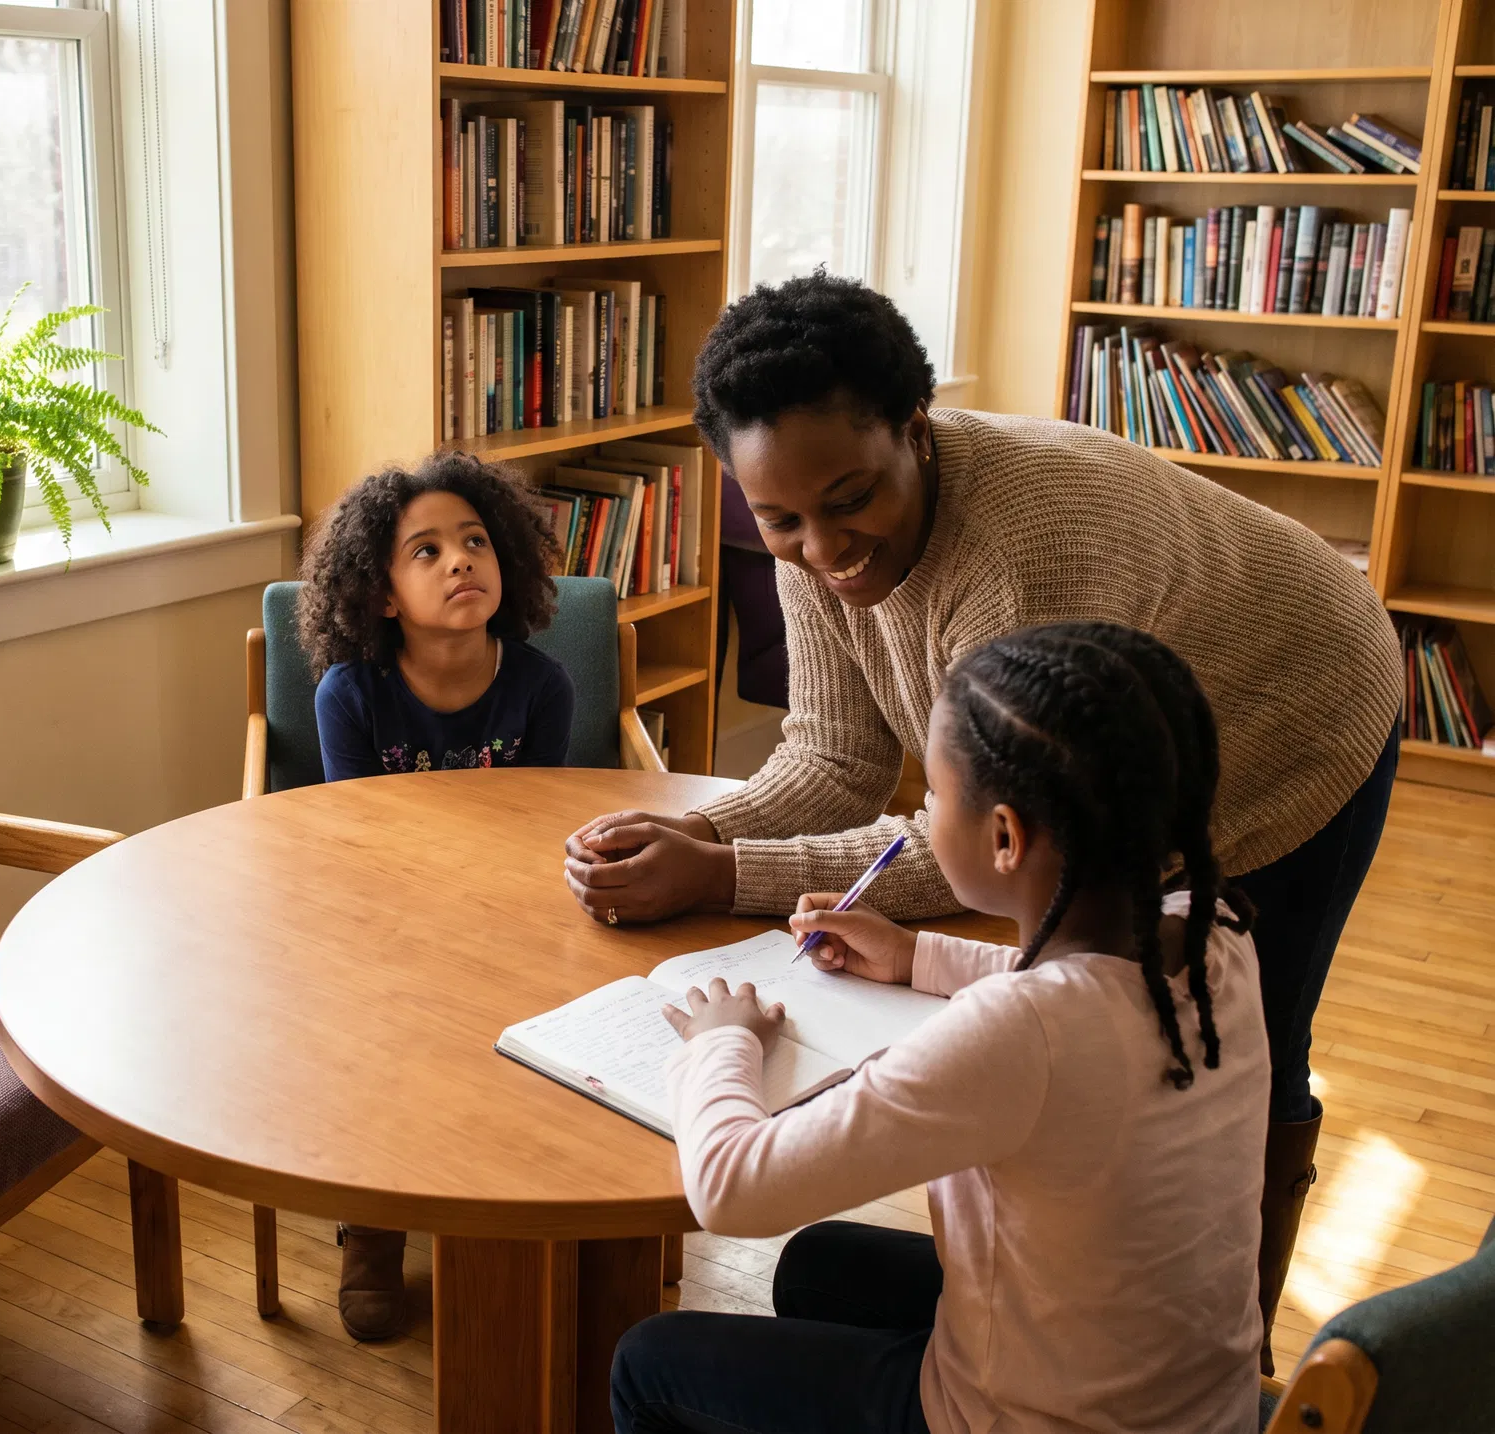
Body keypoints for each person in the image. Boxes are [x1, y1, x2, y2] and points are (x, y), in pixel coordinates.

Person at [563, 274, 1400, 1366]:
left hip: (1296, 713)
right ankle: (1099, 1321)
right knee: (1119, 1026)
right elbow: (835, 757)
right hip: (1128, 749)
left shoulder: (1020, 554)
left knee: (1237, 1040)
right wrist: (704, 838)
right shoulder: (814, 520)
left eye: (849, 501)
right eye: (780, 521)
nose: (823, 547)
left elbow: (995, 839)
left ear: (917, 429)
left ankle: (1227, 1367)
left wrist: (724, 878)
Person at [611, 622, 1268, 1434]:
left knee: (647, 1361)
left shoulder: (1021, 1030)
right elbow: (1089, 997)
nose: (923, 812)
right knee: (817, 1265)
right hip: (1190, 1399)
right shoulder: (1214, 935)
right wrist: (916, 955)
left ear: (1005, 838)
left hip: (1031, 1422)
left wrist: (723, 1041)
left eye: (933, 796)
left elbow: (732, 1189)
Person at [298, 450, 575, 1338]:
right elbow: (360, 838)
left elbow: (539, 826)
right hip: (386, 918)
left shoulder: (541, 686)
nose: (460, 560)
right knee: (378, 1031)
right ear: (381, 595)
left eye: (475, 541)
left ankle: (517, 1186)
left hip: (508, 909)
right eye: (426, 551)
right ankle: (373, 1224)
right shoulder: (349, 694)